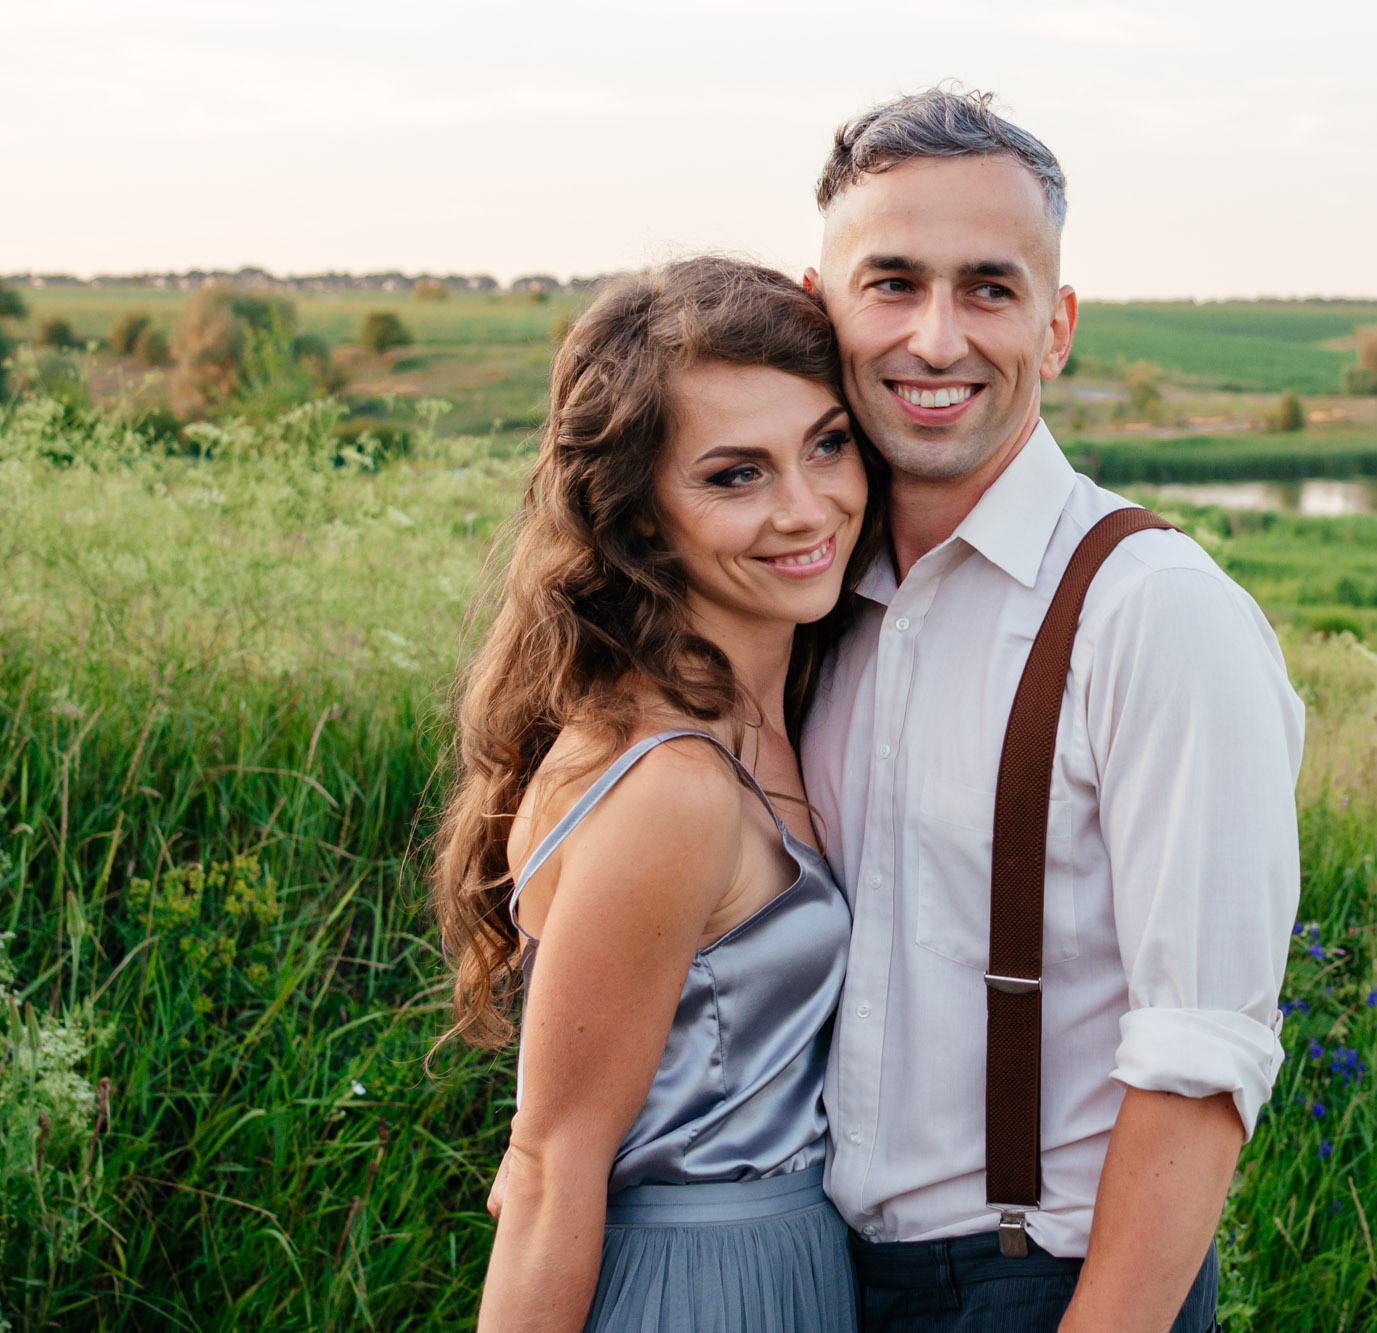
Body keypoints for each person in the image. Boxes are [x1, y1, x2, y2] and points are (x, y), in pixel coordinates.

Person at [800, 89, 1306, 1332]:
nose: (934, 338)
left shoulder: (1153, 612)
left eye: (987, 288)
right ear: (822, 311)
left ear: (1057, 325)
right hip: (823, 1276)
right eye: (890, 283)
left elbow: (1202, 1054)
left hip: (1050, 1288)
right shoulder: (813, 602)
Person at [432, 257, 883, 1333]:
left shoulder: (785, 706)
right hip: (696, 1289)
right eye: (735, 475)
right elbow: (546, 1167)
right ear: (641, 523)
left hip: (786, 1267)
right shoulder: (670, 785)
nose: (806, 505)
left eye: (826, 442)